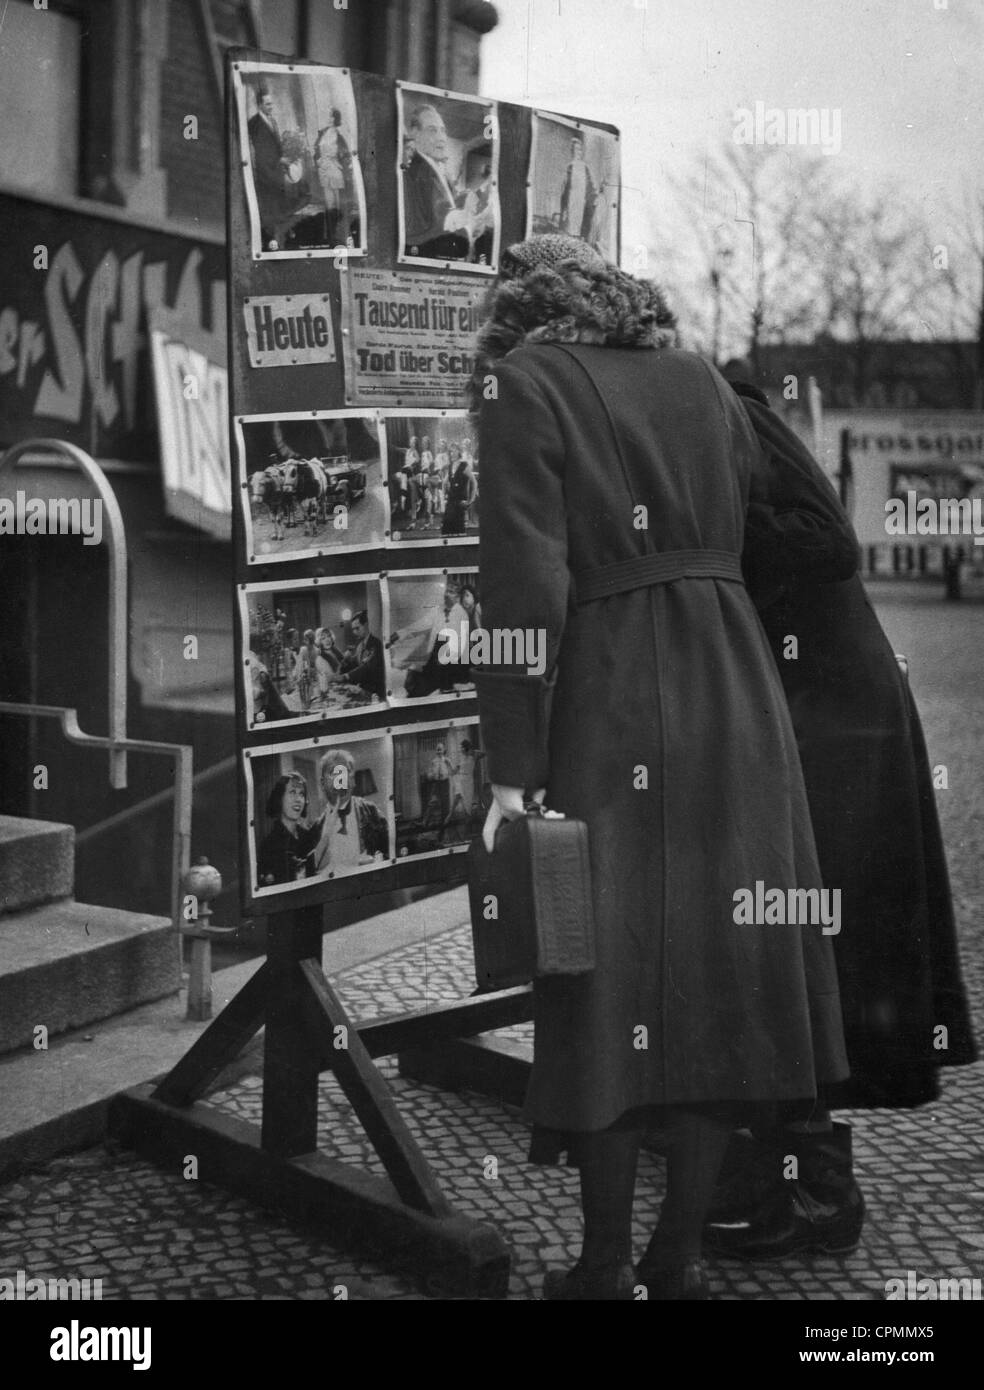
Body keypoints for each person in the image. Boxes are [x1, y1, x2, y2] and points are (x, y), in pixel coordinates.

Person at [471, 234, 849, 1300]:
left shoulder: (523, 382)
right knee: (714, 988)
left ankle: (602, 1267)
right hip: (735, 697)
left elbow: (524, 586)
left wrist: (509, 770)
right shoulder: (702, 383)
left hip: (611, 701)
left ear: (519, 312)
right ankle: (675, 1261)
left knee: (601, 974)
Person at [702, 382, 978, 1261]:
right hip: (806, 703)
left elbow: (829, 539)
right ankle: (785, 1170)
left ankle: (818, 1191)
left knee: (823, 943)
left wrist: (704, 543)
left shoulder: (729, 403)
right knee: (791, 940)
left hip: (835, 713)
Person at [401, 104, 471, 261]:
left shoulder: (437, 171)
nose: (441, 138)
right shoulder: (415, 173)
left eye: (443, 130)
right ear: (415, 133)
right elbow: (419, 232)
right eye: (432, 130)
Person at [312, 748, 389, 873]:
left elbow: (391, 851)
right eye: (334, 773)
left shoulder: (371, 812)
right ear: (322, 784)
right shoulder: (316, 829)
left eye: (345, 772)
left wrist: (376, 862)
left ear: (353, 781)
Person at [257, 772, 321, 885]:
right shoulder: (269, 845)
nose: (298, 799)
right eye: (292, 792)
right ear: (279, 799)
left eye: (301, 794)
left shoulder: (309, 836)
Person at [313, 108, 354, 246]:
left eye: (332, 117)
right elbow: (316, 149)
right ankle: (330, 237)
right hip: (324, 170)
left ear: (336, 119)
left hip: (335, 170)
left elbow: (345, 155)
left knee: (337, 204)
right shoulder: (323, 133)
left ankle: (338, 235)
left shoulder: (339, 137)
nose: (330, 119)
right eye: (329, 116)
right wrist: (318, 160)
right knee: (329, 204)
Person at [338, 611, 385, 700]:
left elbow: (366, 668)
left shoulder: (375, 644)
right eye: (353, 629)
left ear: (366, 625)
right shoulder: (359, 645)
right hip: (362, 691)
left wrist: (345, 676)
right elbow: (355, 665)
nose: (355, 632)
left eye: (357, 628)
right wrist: (345, 661)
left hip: (374, 694)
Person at [559, 136, 597, 241]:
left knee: (581, 228)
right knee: (571, 228)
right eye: (576, 149)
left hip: (582, 201)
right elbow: (565, 188)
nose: (578, 152)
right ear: (572, 151)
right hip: (572, 200)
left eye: (580, 149)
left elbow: (591, 185)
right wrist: (565, 206)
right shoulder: (570, 166)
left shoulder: (585, 167)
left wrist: (593, 197)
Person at [441, 443, 477, 535]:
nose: (451, 453)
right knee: (446, 531)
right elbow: (444, 483)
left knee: (459, 532)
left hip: (460, 502)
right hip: (450, 502)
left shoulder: (464, 466)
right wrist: (442, 499)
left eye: (453, 451)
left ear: (458, 452)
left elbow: (474, 482)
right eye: (450, 452)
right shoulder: (450, 466)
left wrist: (471, 500)